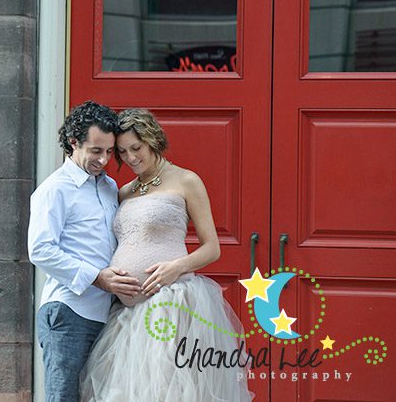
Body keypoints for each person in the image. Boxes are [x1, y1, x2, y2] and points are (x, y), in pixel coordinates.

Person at [80, 108, 253, 401]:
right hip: (127, 315)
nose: (132, 157)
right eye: (122, 152)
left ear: (153, 140)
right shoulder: (124, 191)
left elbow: (212, 247)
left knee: (169, 389)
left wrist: (176, 267)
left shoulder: (186, 181)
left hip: (170, 303)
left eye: (137, 148)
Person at [28, 101, 142, 402]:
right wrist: (97, 277)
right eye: (96, 151)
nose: (104, 160)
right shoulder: (54, 190)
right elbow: (40, 250)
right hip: (68, 313)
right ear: (73, 142)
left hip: (110, 312)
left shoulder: (108, 187)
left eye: (108, 151)